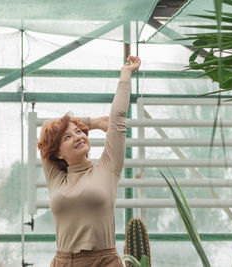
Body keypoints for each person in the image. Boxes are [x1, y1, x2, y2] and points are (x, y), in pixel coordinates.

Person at [37, 55, 141, 267]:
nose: (77, 136)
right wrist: (93, 122)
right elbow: (47, 126)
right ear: (57, 153)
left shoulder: (107, 167)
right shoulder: (56, 177)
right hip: (64, 261)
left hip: (104, 261)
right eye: (67, 137)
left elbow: (119, 117)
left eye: (79, 132)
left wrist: (126, 75)